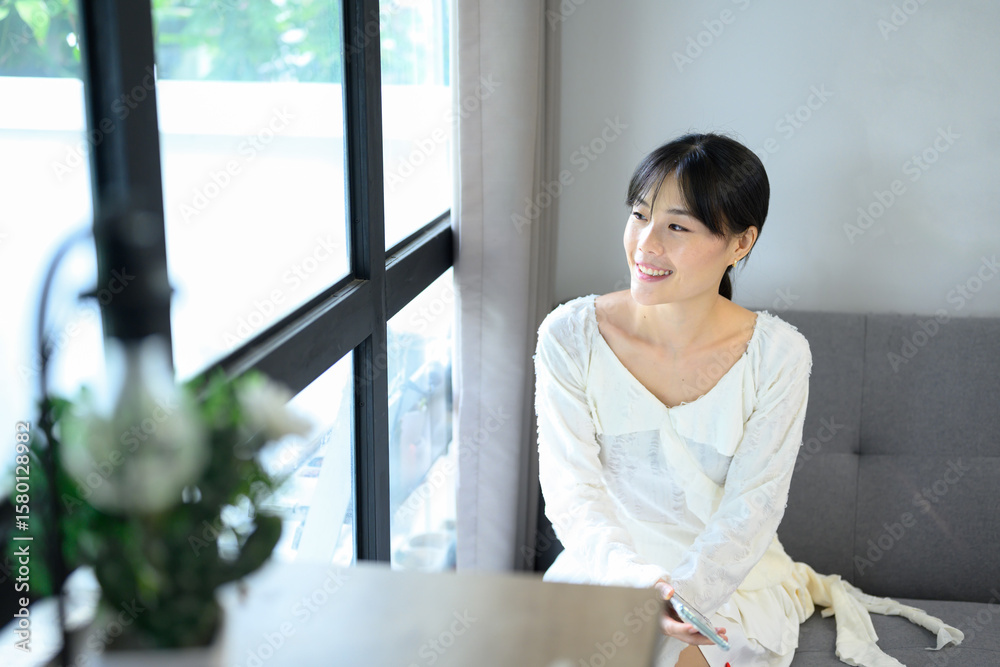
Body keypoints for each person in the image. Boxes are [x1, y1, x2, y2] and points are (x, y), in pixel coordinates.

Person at [533, 133, 964, 667]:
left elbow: (752, 509)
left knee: (661, 652)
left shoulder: (777, 355)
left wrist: (681, 599)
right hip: (606, 571)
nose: (646, 243)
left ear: (740, 244)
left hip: (727, 581)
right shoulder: (570, 335)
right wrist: (643, 586)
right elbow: (573, 497)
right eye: (640, 215)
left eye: (677, 226)